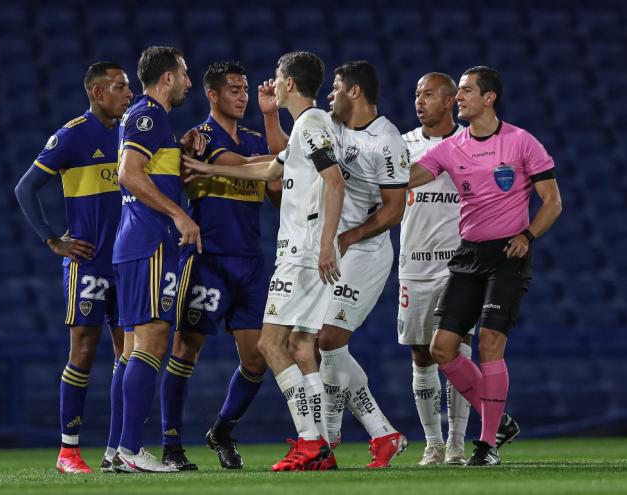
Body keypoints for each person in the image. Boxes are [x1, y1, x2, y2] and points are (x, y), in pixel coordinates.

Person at [183, 51, 345, 472]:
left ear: (290, 82)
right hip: (312, 252)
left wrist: (326, 242)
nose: (272, 81)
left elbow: (334, 181)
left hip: (303, 252)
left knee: (269, 344)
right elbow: (271, 171)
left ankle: (309, 441)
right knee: (302, 345)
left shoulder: (310, 126)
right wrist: (203, 167)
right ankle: (322, 444)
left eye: (277, 75)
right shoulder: (310, 128)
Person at [408, 66, 562, 466]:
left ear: (489, 98)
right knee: (442, 349)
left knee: (490, 344)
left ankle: (487, 444)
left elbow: (553, 202)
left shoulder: (520, 142)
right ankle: (500, 421)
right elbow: (408, 179)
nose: (458, 98)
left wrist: (527, 236)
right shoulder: (450, 147)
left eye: (465, 91)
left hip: (508, 255)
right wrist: (365, 176)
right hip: (468, 254)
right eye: (458, 91)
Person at [159, 61, 281, 471]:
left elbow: (278, 187)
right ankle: (171, 445)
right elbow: (242, 163)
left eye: (244, 88)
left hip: (250, 262)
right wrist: (280, 164)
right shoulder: (199, 139)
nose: (242, 95)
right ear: (212, 95)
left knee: (256, 359)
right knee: (185, 350)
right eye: (233, 89)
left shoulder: (251, 137)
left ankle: (223, 430)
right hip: (208, 261)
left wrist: (277, 172)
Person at [14, 62, 133, 474]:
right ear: (98, 93)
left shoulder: (132, 131)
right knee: (82, 351)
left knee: (128, 354)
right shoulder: (72, 135)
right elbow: (25, 187)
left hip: (128, 261)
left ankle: (118, 450)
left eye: (129, 87)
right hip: (88, 262)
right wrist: (53, 239)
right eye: (120, 87)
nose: (128, 94)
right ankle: (68, 452)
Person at [110, 46, 200, 473]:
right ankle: (130, 450)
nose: (187, 82)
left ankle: (116, 451)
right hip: (150, 242)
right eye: (183, 75)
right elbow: (129, 172)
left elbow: (148, 165)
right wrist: (180, 214)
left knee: (132, 349)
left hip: (136, 242)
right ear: (167, 77)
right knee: (152, 341)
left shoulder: (152, 120)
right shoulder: (148, 114)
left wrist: (177, 147)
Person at [316, 61, 410, 469]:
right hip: (336, 250)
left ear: (355, 91)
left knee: (329, 339)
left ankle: (345, 433)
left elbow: (395, 210)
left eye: (335, 88)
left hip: (367, 252)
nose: (329, 96)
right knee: (325, 345)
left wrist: (351, 236)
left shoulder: (386, 140)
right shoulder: (332, 128)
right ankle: (360, 435)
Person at [398, 72, 473, 465]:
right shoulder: (403, 145)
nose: (419, 101)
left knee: (456, 350)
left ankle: (457, 442)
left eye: (427, 94)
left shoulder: (469, 143)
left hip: (458, 265)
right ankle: (432, 442)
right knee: (421, 355)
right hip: (413, 264)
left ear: (449, 102)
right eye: (416, 94)